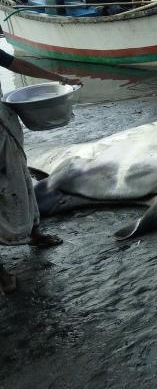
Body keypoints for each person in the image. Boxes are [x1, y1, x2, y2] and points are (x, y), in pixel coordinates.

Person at [0, 50, 81, 294]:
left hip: (3, 129)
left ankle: (34, 232)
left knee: (19, 179)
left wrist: (60, 79)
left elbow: (17, 64)